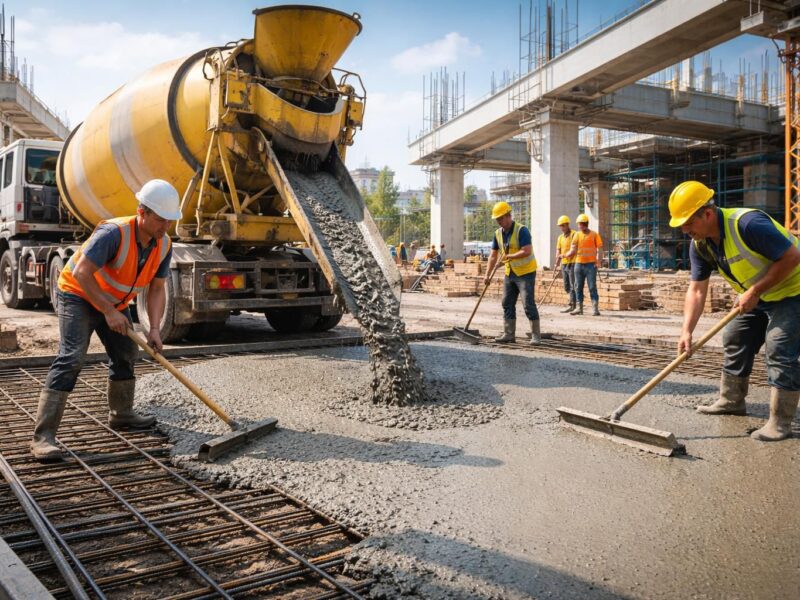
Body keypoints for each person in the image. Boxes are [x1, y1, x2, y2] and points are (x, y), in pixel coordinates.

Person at [31, 179, 181, 461]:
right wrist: (108, 312)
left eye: (169, 221)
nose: (165, 227)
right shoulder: (114, 233)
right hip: (77, 295)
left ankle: (121, 414)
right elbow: (82, 274)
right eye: (160, 220)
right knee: (72, 357)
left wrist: (156, 330)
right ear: (142, 212)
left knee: (126, 353)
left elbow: (157, 288)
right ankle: (43, 437)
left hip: (114, 301)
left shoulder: (163, 244)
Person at [670, 180, 800, 442]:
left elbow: (793, 256)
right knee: (734, 337)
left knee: (778, 348)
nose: (685, 230)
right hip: (762, 296)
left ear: (707, 213)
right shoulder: (701, 245)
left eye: (688, 222)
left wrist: (754, 291)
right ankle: (731, 400)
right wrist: (686, 331)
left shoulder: (748, 224)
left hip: (794, 292)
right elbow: (696, 290)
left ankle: (780, 423)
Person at [484, 201, 541, 345]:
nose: (499, 222)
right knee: (507, 302)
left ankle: (536, 335)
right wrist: (487, 274)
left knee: (528, 303)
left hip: (526, 273)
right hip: (510, 273)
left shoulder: (522, 230)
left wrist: (509, 257)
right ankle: (509, 334)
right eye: (497, 220)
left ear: (508, 216)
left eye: (500, 219)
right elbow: (493, 255)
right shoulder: (498, 234)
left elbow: (526, 250)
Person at [566, 213, 602, 316]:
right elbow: (573, 250)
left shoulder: (594, 235)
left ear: (584, 224)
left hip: (591, 265)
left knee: (592, 287)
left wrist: (598, 261)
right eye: (578, 224)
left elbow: (600, 248)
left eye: (580, 224)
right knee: (578, 286)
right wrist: (565, 255)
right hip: (578, 264)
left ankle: (595, 309)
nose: (578, 226)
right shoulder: (577, 235)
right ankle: (579, 308)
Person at [555, 215, 577, 313]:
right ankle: (573, 301)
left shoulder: (574, 234)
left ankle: (573, 305)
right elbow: (558, 251)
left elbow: (574, 250)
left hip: (572, 263)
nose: (562, 228)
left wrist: (563, 255)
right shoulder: (560, 237)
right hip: (564, 264)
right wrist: (556, 263)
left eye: (563, 226)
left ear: (567, 225)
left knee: (572, 284)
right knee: (566, 286)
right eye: (560, 226)